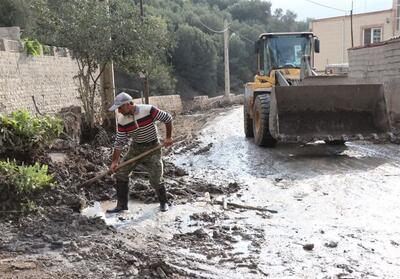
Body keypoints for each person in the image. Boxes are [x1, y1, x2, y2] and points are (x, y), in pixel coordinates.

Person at [106, 92, 173, 213]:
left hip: (153, 147)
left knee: (156, 178)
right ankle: (122, 205)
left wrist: (168, 137)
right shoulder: (122, 121)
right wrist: (114, 162)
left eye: (120, 108)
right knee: (121, 173)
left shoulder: (148, 110)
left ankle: (163, 203)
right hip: (135, 148)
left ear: (127, 104)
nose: (119, 111)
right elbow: (119, 142)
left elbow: (168, 118)